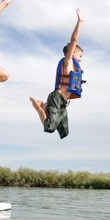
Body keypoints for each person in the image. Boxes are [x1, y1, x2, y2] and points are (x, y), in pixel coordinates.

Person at [30, 9, 85, 139]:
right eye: (80, 56)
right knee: (49, 128)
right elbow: (74, 40)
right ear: (72, 53)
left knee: (64, 133)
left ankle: (44, 105)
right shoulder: (68, 62)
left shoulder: (74, 67)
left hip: (62, 103)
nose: (81, 59)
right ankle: (38, 106)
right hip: (57, 98)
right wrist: (79, 22)